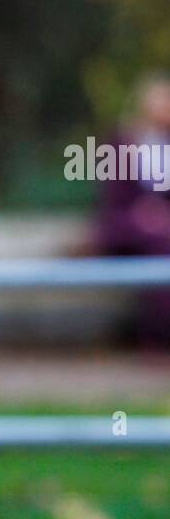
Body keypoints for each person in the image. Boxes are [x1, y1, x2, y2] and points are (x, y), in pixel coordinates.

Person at [90, 72, 170, 349]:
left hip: (160, 232)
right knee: (161, 248)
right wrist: (143, 216)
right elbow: (113, 203)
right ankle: (157, 337)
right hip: (127, 229)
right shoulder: (122, 144)